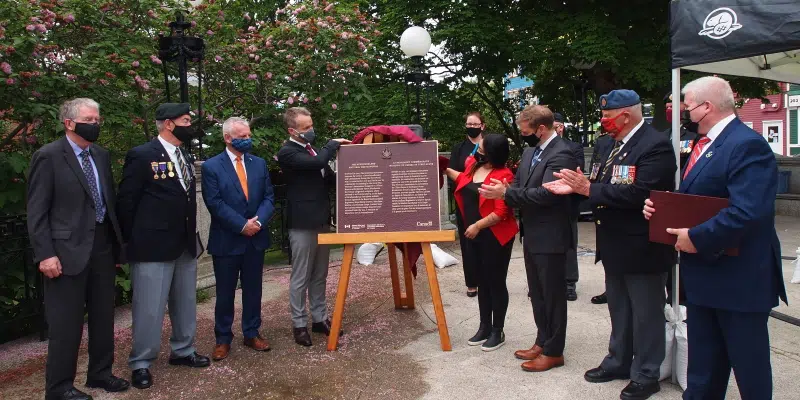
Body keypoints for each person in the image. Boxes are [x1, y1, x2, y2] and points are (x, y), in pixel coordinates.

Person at [644, 77, 787, 400]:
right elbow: (699, 201)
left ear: (706, 107)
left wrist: (696, 237)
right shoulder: (704, 144)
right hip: (706, 277)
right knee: (704, 370)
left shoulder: (746, 145)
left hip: (740, 280)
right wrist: (662, 210)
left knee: (749, 371)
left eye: (687, 105)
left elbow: (749, 211)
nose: (682, 111)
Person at [544, 90, 676, 400]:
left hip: (643, 245)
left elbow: (641, 193)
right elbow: (600, 185)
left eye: (607, 118)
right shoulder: (607, 145)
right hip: (613, 242)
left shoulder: (655, 146)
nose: (603, 123)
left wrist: (589, 188)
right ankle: (618, 361)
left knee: (646, 313)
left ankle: (646, 374)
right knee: (620, 308)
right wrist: (575, 189)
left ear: (626, 116)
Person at [27, 98, 130, 400]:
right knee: (66, 324)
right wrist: (45, 254)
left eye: (98, 119)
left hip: (101, 247)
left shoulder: (100, 155)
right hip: (64, 251)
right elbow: (36, 211)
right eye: (89, 119)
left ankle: (100, 373)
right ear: (69, 123)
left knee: (103, 317)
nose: (95, 124)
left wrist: (115, 247)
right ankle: (59, 388)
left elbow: (107, 203)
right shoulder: (48, 156)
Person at [118, 103, 210, 389]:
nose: (190, 125)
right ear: (169, 124)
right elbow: (126, 202)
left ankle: (183, 350)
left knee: (185, 302)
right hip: (152, 245)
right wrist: (125, 243)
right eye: (186, 120)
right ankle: (141, 362)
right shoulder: (142, 155)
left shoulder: (184, 154)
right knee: (149, 308)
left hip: (184, 242)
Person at [481, 105, 578, 372]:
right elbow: (522, 186)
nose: (524, 136)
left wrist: (505, 194)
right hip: (533, 233)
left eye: (526, 131)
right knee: (537, 292)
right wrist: (506, 190)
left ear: (541, 129)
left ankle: (554, 351)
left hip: (552, 234)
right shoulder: (530, 151)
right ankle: (542, 340)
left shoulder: (562, 154)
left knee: (553, 294)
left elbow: (548, 195)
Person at [201, 117, 275, 361]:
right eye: (241, 136)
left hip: (256, 239)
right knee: (225, 293)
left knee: (253, 290)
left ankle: (252, 333)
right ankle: (223, 339)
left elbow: (268, 198)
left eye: (248, 135)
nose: (247, 140)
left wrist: (258, 223)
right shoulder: (212, 166)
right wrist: (242, 225)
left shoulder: (259, 164)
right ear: (227, 138)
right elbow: (215, 203)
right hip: (227, 240)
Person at [277, 107, 350, 346]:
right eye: (305, 128)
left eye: (311, 125)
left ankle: (320, 319)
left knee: (320, 274)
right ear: (292, 130)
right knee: (301, 276)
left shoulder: (313, 150)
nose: (311, 131)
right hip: (302, 223)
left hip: (321, 220)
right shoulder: (288, 152)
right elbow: (318, 162)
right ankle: (299, 324)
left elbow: (329, 177)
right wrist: (333, 144)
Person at [445, 134, 518, 351]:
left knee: (495, 282)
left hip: (494, 235)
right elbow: (462, 179)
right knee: (482, 282)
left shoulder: (503, 175)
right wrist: (441, 167)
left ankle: (498, 330)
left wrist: (477, 226)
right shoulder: (474, 167)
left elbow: (501, 212)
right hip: (474, 234)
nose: (477, 147)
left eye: (482, 146)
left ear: (490, 152)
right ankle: (484, 326)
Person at [663, 91, 698, 306]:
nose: (669, 108)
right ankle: (672, 301)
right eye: (667, 104)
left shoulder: (694, 136)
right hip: (668, 202)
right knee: (669, 258)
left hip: (688, 201)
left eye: (674, 104)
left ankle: (685, 303)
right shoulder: (664, 135)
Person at [449, 111, 485, 297]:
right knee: (468, 242)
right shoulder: (459, 148)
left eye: (475, 124)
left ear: (482, 126)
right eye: (468, 124)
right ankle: (472, 283)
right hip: (466, 201)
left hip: (487, 199)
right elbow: (452, 173)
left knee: (487, 241)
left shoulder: (489, 145)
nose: (472, 127)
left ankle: (488, 279)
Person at [554, 112, 584, 302]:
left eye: (559, 125)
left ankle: (570, 282)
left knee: (569, 242)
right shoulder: (538, 148)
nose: (556, 129)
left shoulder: (574, 147)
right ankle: (550, 281)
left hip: (567, 201)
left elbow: (577, 170)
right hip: (546, 200)